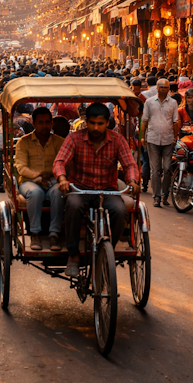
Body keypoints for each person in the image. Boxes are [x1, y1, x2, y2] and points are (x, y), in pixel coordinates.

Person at [53, 102, 139, 278]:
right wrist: (62, 178)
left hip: (107, 189)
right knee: (73, 207)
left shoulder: (117, 140)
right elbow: (60, 161)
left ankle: (108, 249)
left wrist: (133, 180)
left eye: (100, 123)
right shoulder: (75, 138)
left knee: (120, 210)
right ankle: (73, 255)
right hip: (80, 188)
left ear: (107, 123)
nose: (96, 127)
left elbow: (129, 163)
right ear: (86, 121)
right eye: (92, 123)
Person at [14, 107, 64, 251]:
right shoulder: (24, 142)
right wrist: (38, 176)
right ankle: (35, 233)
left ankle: (54, 234)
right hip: (29, 181)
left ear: (52, 123)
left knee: (58, 193)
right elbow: (21, 168)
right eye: (40, 122)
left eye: (47, 122)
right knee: (35, 194)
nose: (44, 126)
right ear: (34, 123)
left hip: (53, 180)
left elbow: (65, 164)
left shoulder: (59, 142)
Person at [141, 78, 180, 208]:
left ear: (169, 89)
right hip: (152, 139)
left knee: (167, 168)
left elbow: (175, 121)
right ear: (157, 88)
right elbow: (144, 120)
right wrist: (142, 137)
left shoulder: (173, 103)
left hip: (168, 139)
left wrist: (175, 138)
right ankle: (157, 197)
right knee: (155, 170)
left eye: (166, 87)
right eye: (161, 87)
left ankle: (165, 195)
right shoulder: (149, 102)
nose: (164, 89)